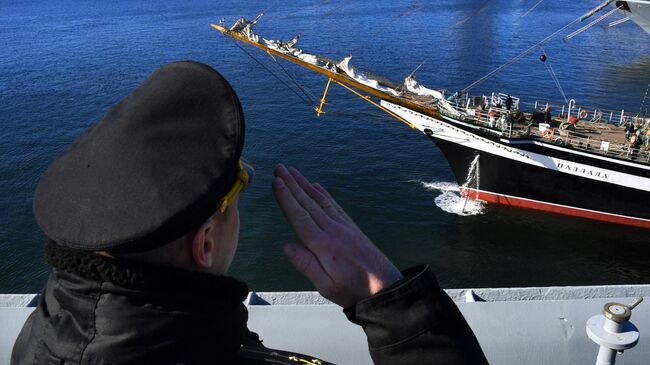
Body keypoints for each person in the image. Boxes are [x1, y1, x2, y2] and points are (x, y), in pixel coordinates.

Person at [11, 61, 487, 365]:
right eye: (240, 182)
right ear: (206, 243)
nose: (248, 179)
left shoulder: (40, 338)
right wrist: (396, 305)